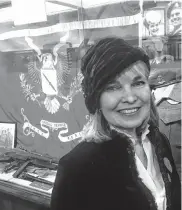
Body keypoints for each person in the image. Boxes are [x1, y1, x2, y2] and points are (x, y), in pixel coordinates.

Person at [50, 37, 181, 210]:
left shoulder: (159, 142)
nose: (130, 97)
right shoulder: (77, 166)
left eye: (138, 83)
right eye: (112, 87)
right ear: (96, 100)